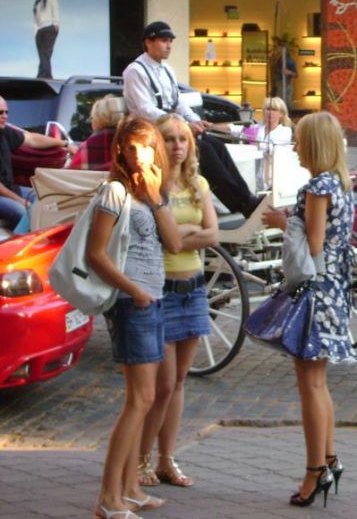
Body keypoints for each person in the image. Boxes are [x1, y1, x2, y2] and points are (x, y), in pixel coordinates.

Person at [261, 111, 357, 508]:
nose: (295, 147)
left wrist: (282, 223)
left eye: (300, 141)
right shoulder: (342, 182)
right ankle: (329, 459)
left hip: (316, 291)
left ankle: (314, 469)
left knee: (310, 386)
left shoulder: (317, 185)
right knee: (319, 384)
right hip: (335, 288)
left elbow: (313, 244)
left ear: (314, 144)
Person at [88, 116, 181, 519]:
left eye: (147, 145)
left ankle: (128, 489)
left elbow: (175, 243)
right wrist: (134, 291)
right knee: (138, 400)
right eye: (132, 147)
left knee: (146, 399)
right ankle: (109, 498)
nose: (141, 153)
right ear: (121, 152)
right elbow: (96, 254)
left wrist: (157, 196)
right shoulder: (114, 191)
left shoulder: (150, 193)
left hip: (153, 298)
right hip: (134, 302)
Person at [138, 114, 218, 491]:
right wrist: (189, 233)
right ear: (157, 143)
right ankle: (140, 459)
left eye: (182, 139)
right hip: (162, 289)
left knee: (181, 381)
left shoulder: (197, 183)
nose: (177, 146)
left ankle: (166, 458)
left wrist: (180, 233)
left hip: (194, 289)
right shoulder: (152, 187)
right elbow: (166, 242)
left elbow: (214, 234)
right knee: (163, 385)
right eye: (169, 139)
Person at [123, 21, 260, 217]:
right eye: (164, 41)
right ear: (148, 42)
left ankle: (247, 197)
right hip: (151, 133)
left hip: (172, 130)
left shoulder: (167, 70)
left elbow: (178, 102)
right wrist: (184, 127)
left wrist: (196, 120)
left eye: (170, 41)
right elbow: (146, 109)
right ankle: (240, 204)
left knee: (216, 146)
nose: (169, 46)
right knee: (203, 151)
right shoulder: (134, 71)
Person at [0, 95, 76, 227]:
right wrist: (23, 202)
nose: (5, 116)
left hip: (10, 188)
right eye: (0, 112)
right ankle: (19, 246)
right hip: (3, 193)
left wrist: (65, 144)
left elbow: (32, 139)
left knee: (50, 200)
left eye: (7, 112)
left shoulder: (5, 132)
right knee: (24, 212)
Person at [68, 96, 124, 171]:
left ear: (97, 119)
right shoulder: (134, 143)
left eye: (92, 118)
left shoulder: (86, 147)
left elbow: (72, 176)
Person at [32, 0, 59, 79]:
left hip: (49, 28)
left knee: (45, 54)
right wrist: (35, 32)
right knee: (43, 56)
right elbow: (35, 20)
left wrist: (55, 23)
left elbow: (55, 7)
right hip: (39, 31)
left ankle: (45, 77)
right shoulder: (36, 2)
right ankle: (42, 77)